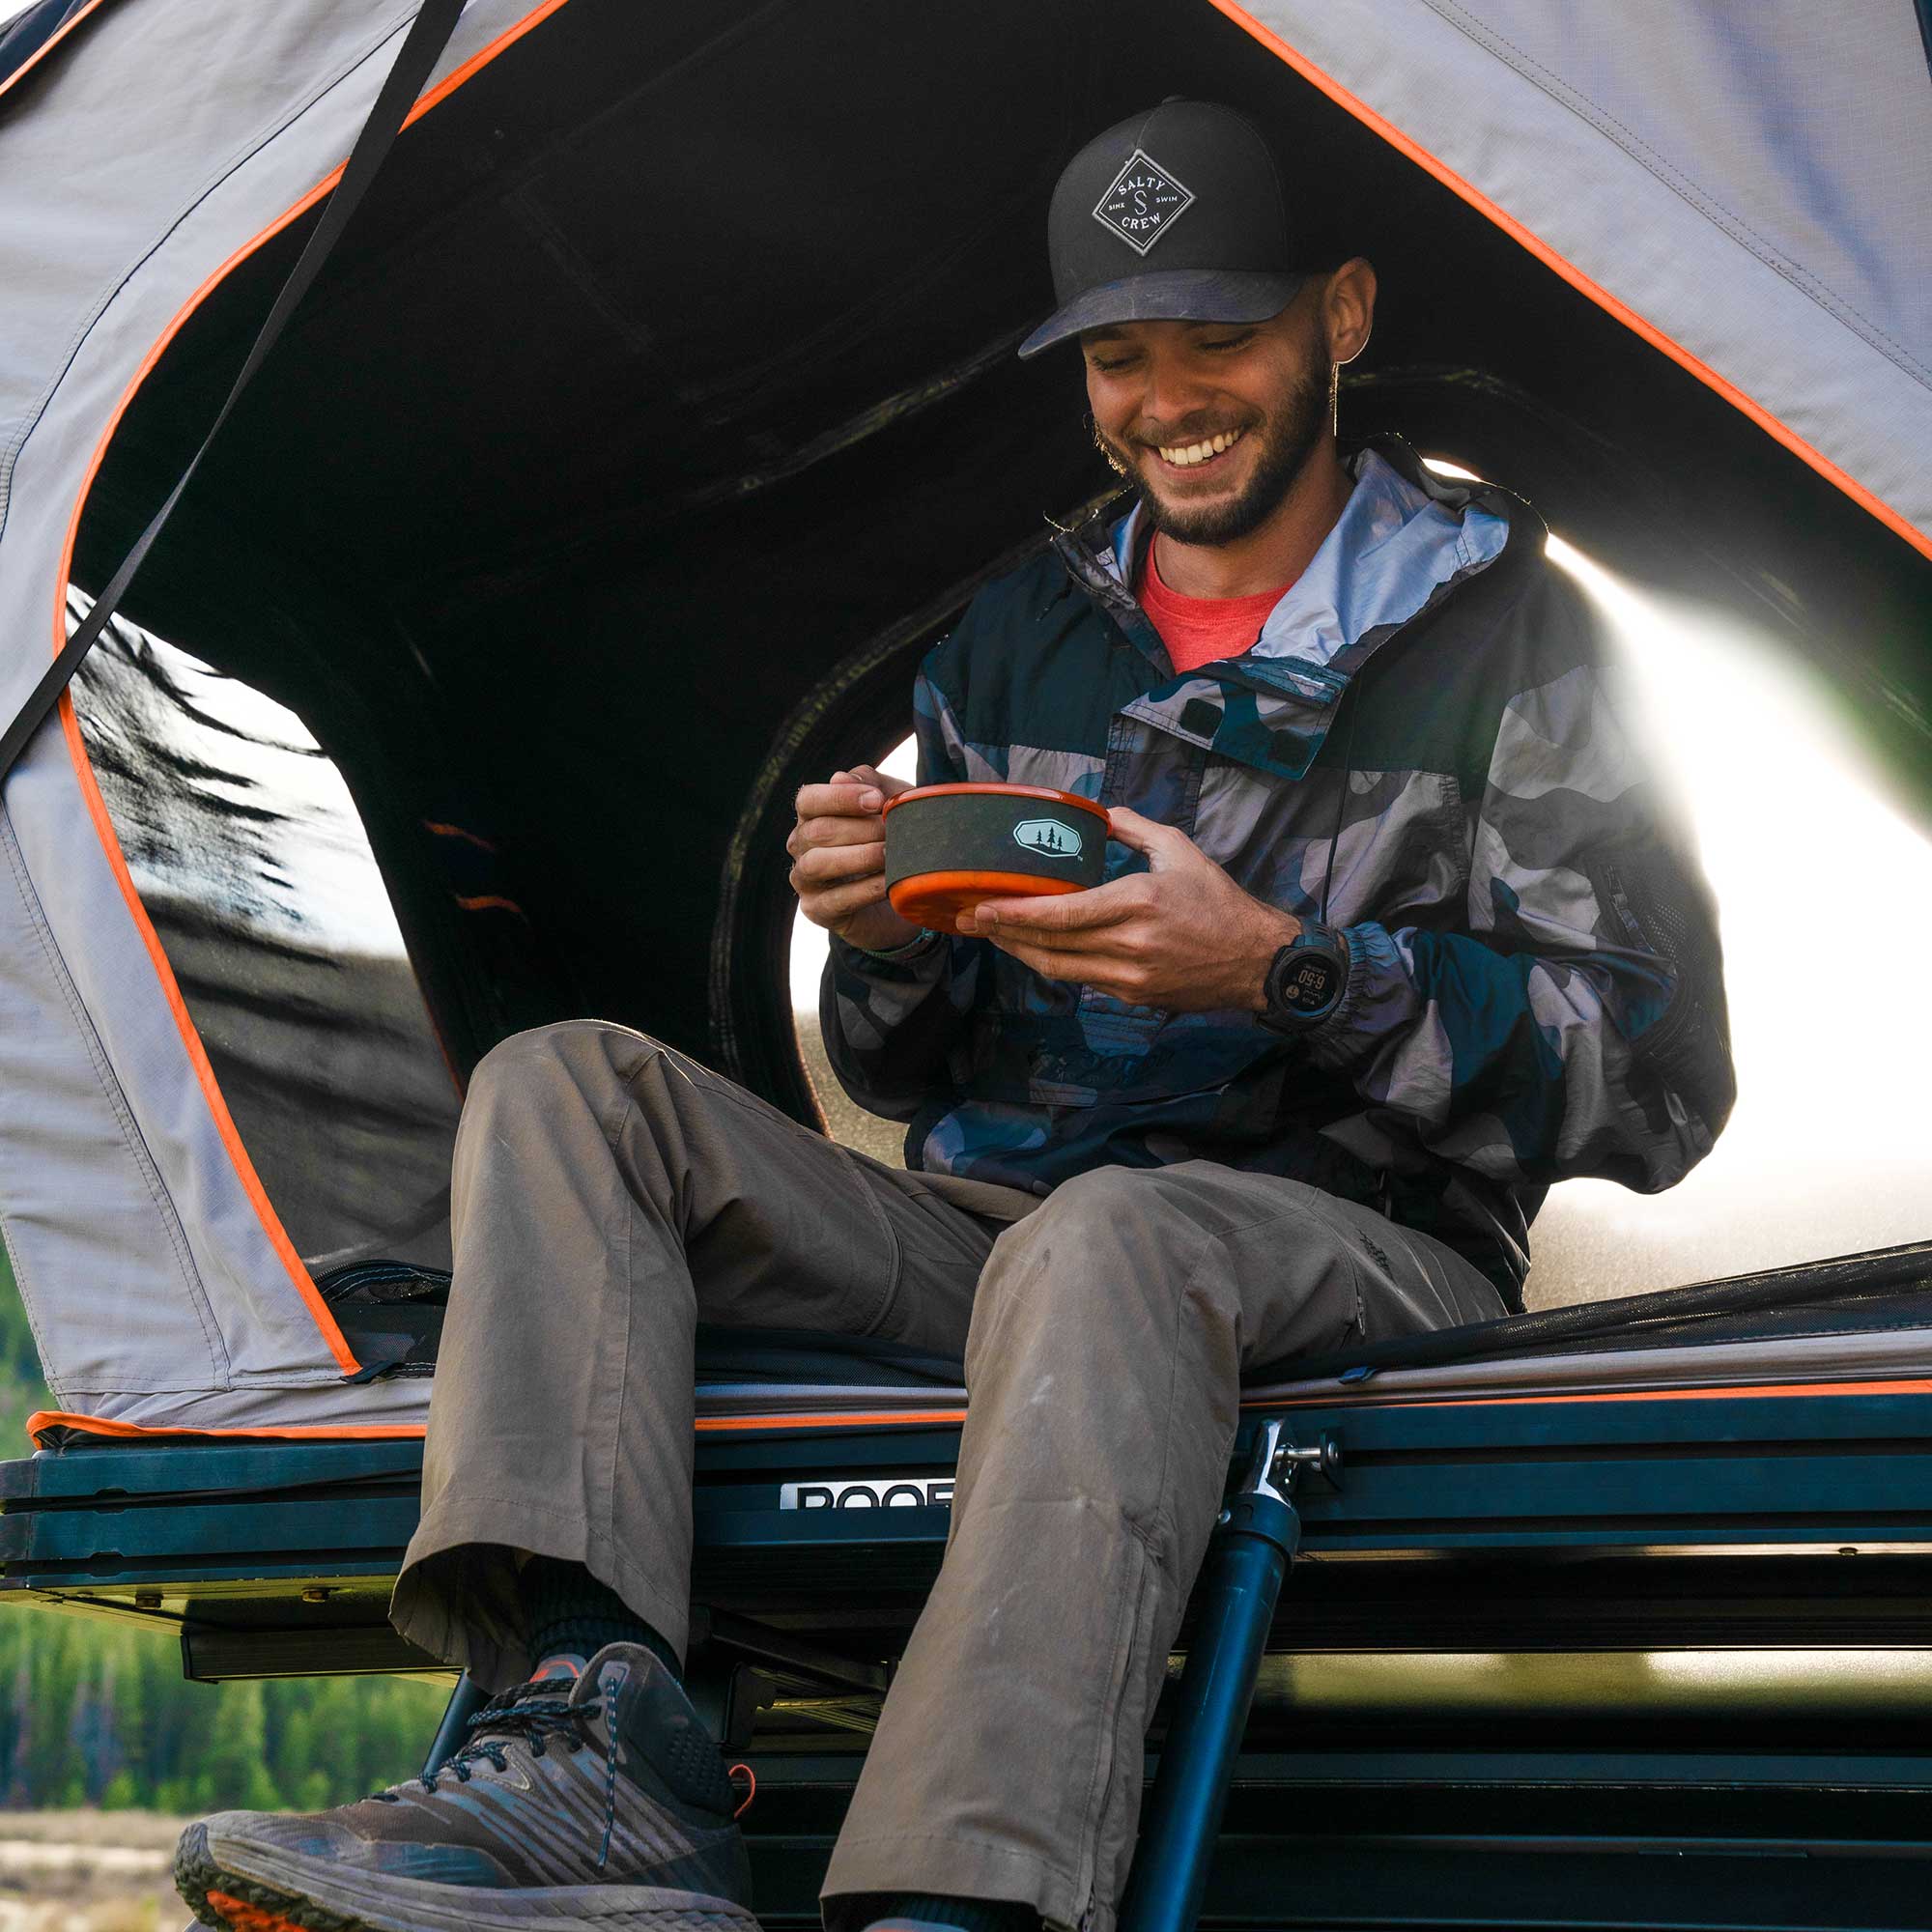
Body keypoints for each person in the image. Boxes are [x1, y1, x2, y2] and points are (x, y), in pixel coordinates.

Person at [174, 99, 1733, 1932]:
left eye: (1218, 338)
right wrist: (882, 926)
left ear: (1345, 316)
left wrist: (1287, 972)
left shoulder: (1513, 638)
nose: (1171, 399)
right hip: (1001, 1240)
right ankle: (592, 1758)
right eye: (1122, 359)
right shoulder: (1011, 637)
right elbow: (904, 1072)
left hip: (1367, 1254)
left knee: (1115, 1235)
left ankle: (963, 1903)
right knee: (566, 1088)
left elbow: (1655, 1083)